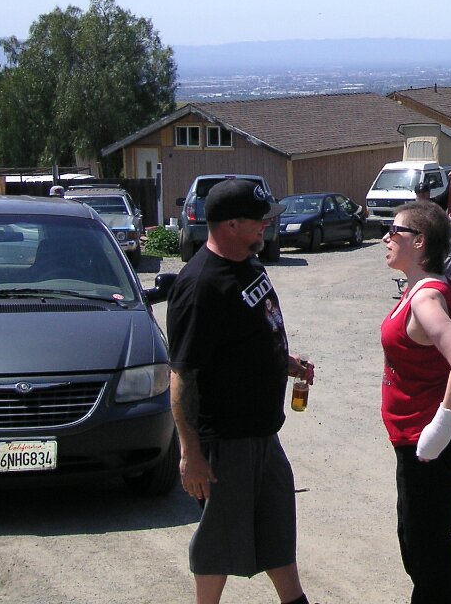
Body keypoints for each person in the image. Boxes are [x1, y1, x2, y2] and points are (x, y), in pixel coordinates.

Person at [166, 178, 319, 604]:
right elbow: (183, 375)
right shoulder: (199, 287)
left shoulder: (250, 265)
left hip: (263, 434)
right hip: (225, 441)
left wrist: (284, 364)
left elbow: (248, 337)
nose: (266, 228)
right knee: (218, 542)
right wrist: (189, 453)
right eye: (258, 221)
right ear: (231, 224)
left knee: (276, 530)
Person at [380, 200, 451, 604]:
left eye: (394, 231)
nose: (386, 238)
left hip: (428, 442)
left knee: (426, 548)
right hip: (418, 436)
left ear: (419, 242)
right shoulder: (422, 287)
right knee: (422, 543)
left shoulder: (426, 299)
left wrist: (440, 424)